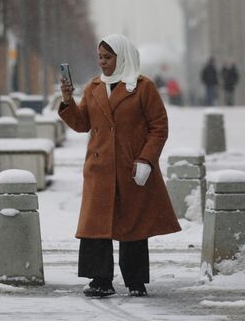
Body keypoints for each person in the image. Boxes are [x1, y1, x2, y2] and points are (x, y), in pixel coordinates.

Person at [58, 34, 181, 298]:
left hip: (131, 168)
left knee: (132, 227)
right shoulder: (93, 88)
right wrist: (68, 101)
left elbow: (159, 128)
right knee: (96, 228)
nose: (102, 63)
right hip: (99, 169)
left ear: (122, 57)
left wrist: (146, 159)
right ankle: (100, 280)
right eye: (100, 57)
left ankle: (135, 282)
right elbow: (82, 124)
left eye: (108, 57)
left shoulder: (143, 87)